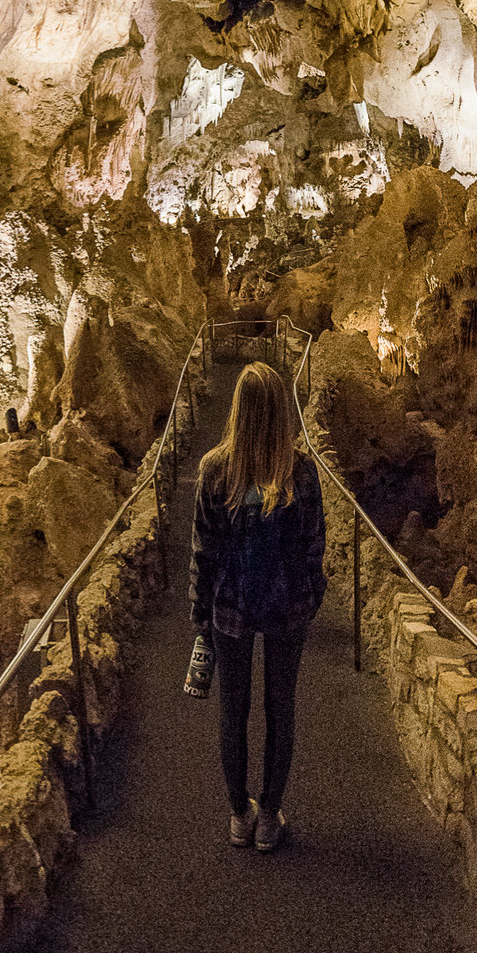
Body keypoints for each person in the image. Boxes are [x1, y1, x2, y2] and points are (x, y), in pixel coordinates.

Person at [190, 361, 326, 851]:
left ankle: (237, 814)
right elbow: (313, 547)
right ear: (281, 413)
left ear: (238, 410)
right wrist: (310, 600)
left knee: (234, 710)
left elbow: (204, 551)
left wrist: (200, 613)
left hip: (231, 609)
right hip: (287, 608)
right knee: (280, 708)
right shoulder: (302, 473)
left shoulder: (213, 471)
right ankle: (269, 816)